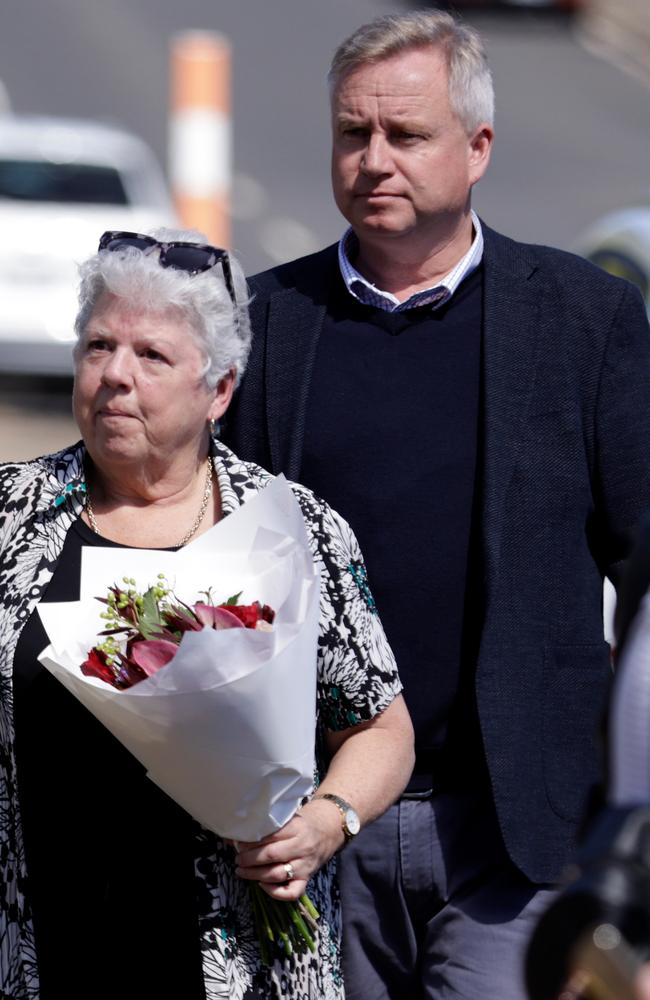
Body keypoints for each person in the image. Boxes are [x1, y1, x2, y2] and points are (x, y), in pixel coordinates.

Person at [222, 10, 650, 1000]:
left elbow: (645, 573)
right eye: (351, 133)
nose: (374, 159)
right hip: (317, 830)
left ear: (476, 147)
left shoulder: (583, 321)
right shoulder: (265, 325)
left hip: (516, 836)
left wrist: (626, 807)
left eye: (404, 135)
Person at [0, 228, 414, 1000]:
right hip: (38, 950)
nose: (115, 376)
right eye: (98, 347)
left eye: (151, 356)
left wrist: (327, 821)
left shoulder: (293, 531)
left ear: (219, 390)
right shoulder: (10, 517)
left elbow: (380, 728)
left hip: (235, 965)